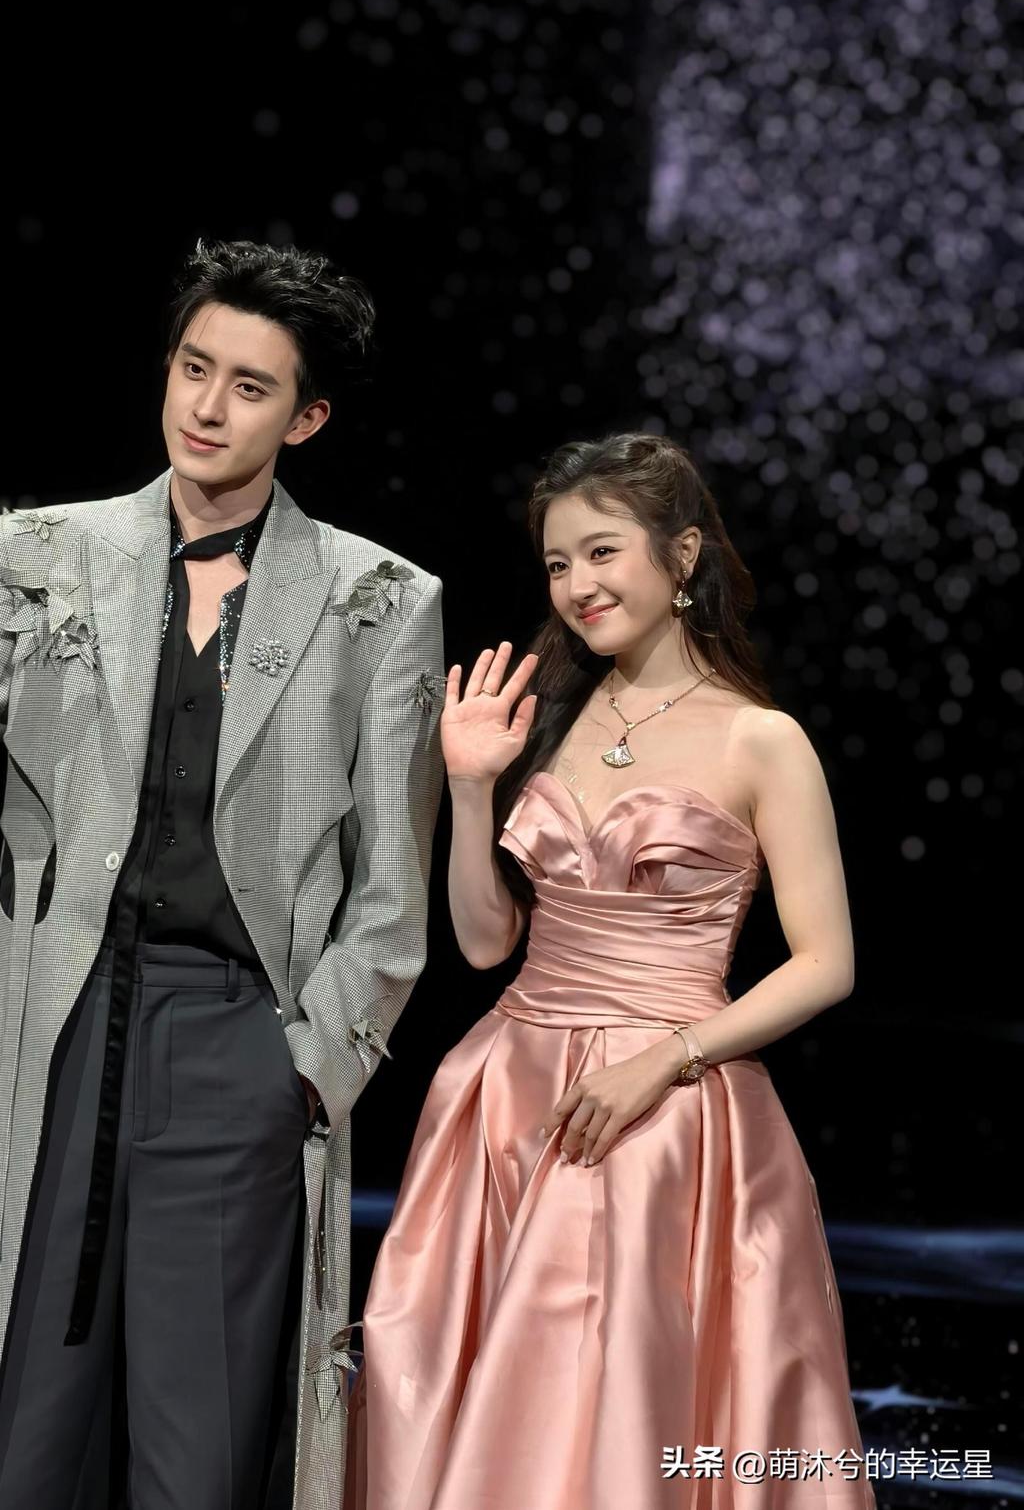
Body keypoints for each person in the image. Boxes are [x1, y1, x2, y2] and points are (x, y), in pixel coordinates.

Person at [0, 239, 446, 1510]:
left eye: (250, 386)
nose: (206, 407)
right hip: (51, 1026)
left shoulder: (378, 601)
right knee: (16, 1435)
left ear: (306, 418)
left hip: (236, 1043)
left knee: (197, 1449)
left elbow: (390, 897)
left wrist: (301, 1075)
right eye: (192, 367)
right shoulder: (41, 553)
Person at [347, 432, 874, 1510]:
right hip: (506, 1092)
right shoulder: (547, 713)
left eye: (601, 552)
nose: (577, 584)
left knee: (616, 1391)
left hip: (662, 1109)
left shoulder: (761, 739)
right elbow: (485, 942)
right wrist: (470, 791)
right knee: (473, 1389)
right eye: (556, 563)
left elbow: (827, 964)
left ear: (680, 556)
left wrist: (664, 1059)